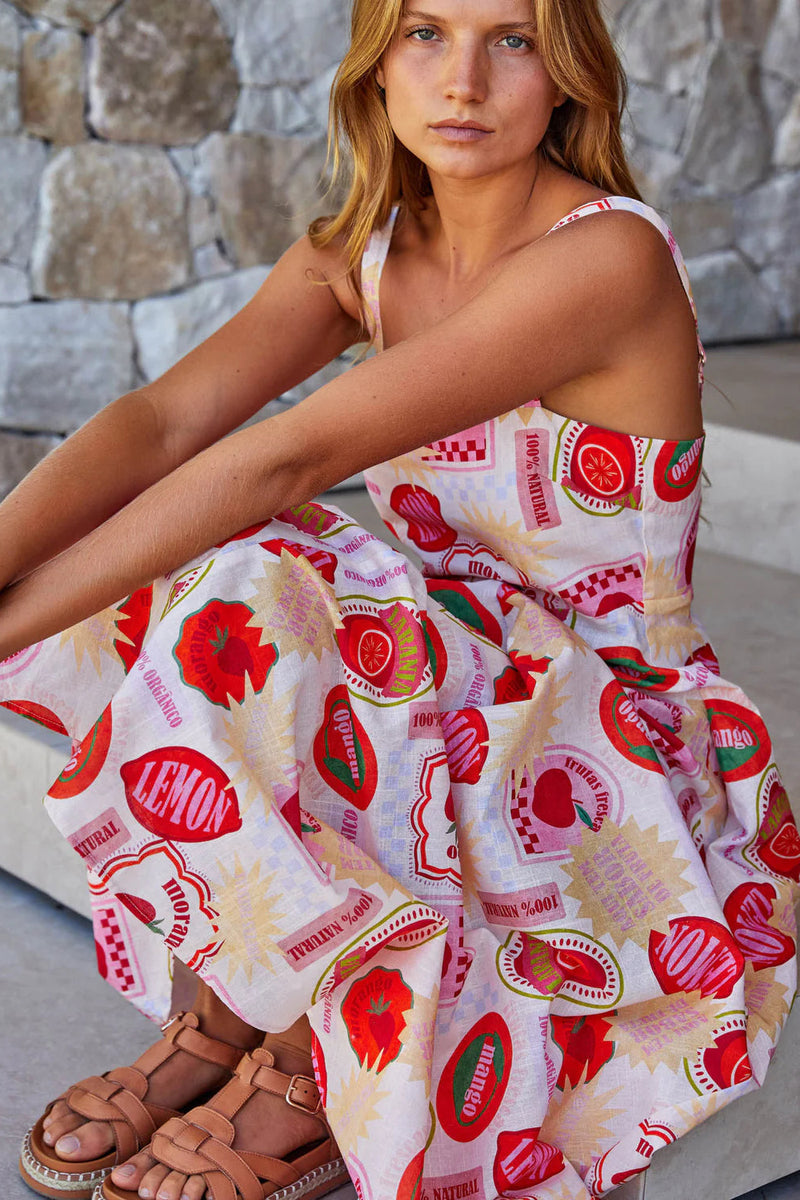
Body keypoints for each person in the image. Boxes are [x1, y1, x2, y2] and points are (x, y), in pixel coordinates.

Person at [1, 0, 798, 1198]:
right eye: (425, 33)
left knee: (268, 564)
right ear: (376, 68)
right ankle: (233, 1007)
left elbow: (284, 459)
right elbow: (160, 423)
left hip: (609, 734)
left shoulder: (603, 254)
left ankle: (302, 1058)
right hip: (448, 666)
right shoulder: (361, 252)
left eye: (510, 39)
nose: (462, 80)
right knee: (215, 582)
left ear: (566, 73)